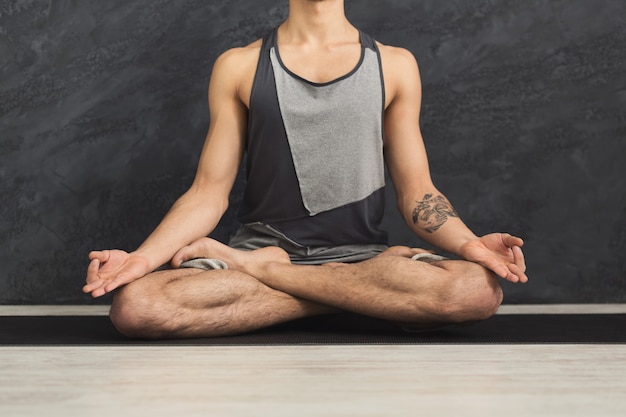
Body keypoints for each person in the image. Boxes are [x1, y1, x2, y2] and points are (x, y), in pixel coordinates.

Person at [83, 0, 527, 339]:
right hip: (297, 255)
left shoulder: (394, 65)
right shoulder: (238, 66)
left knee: (477, 290)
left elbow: (418, 194)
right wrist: (142, 259)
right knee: (138, 307)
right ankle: (358, 302)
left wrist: (471, 245)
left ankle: (272, 274)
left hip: (353, 259)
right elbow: (208, 194)